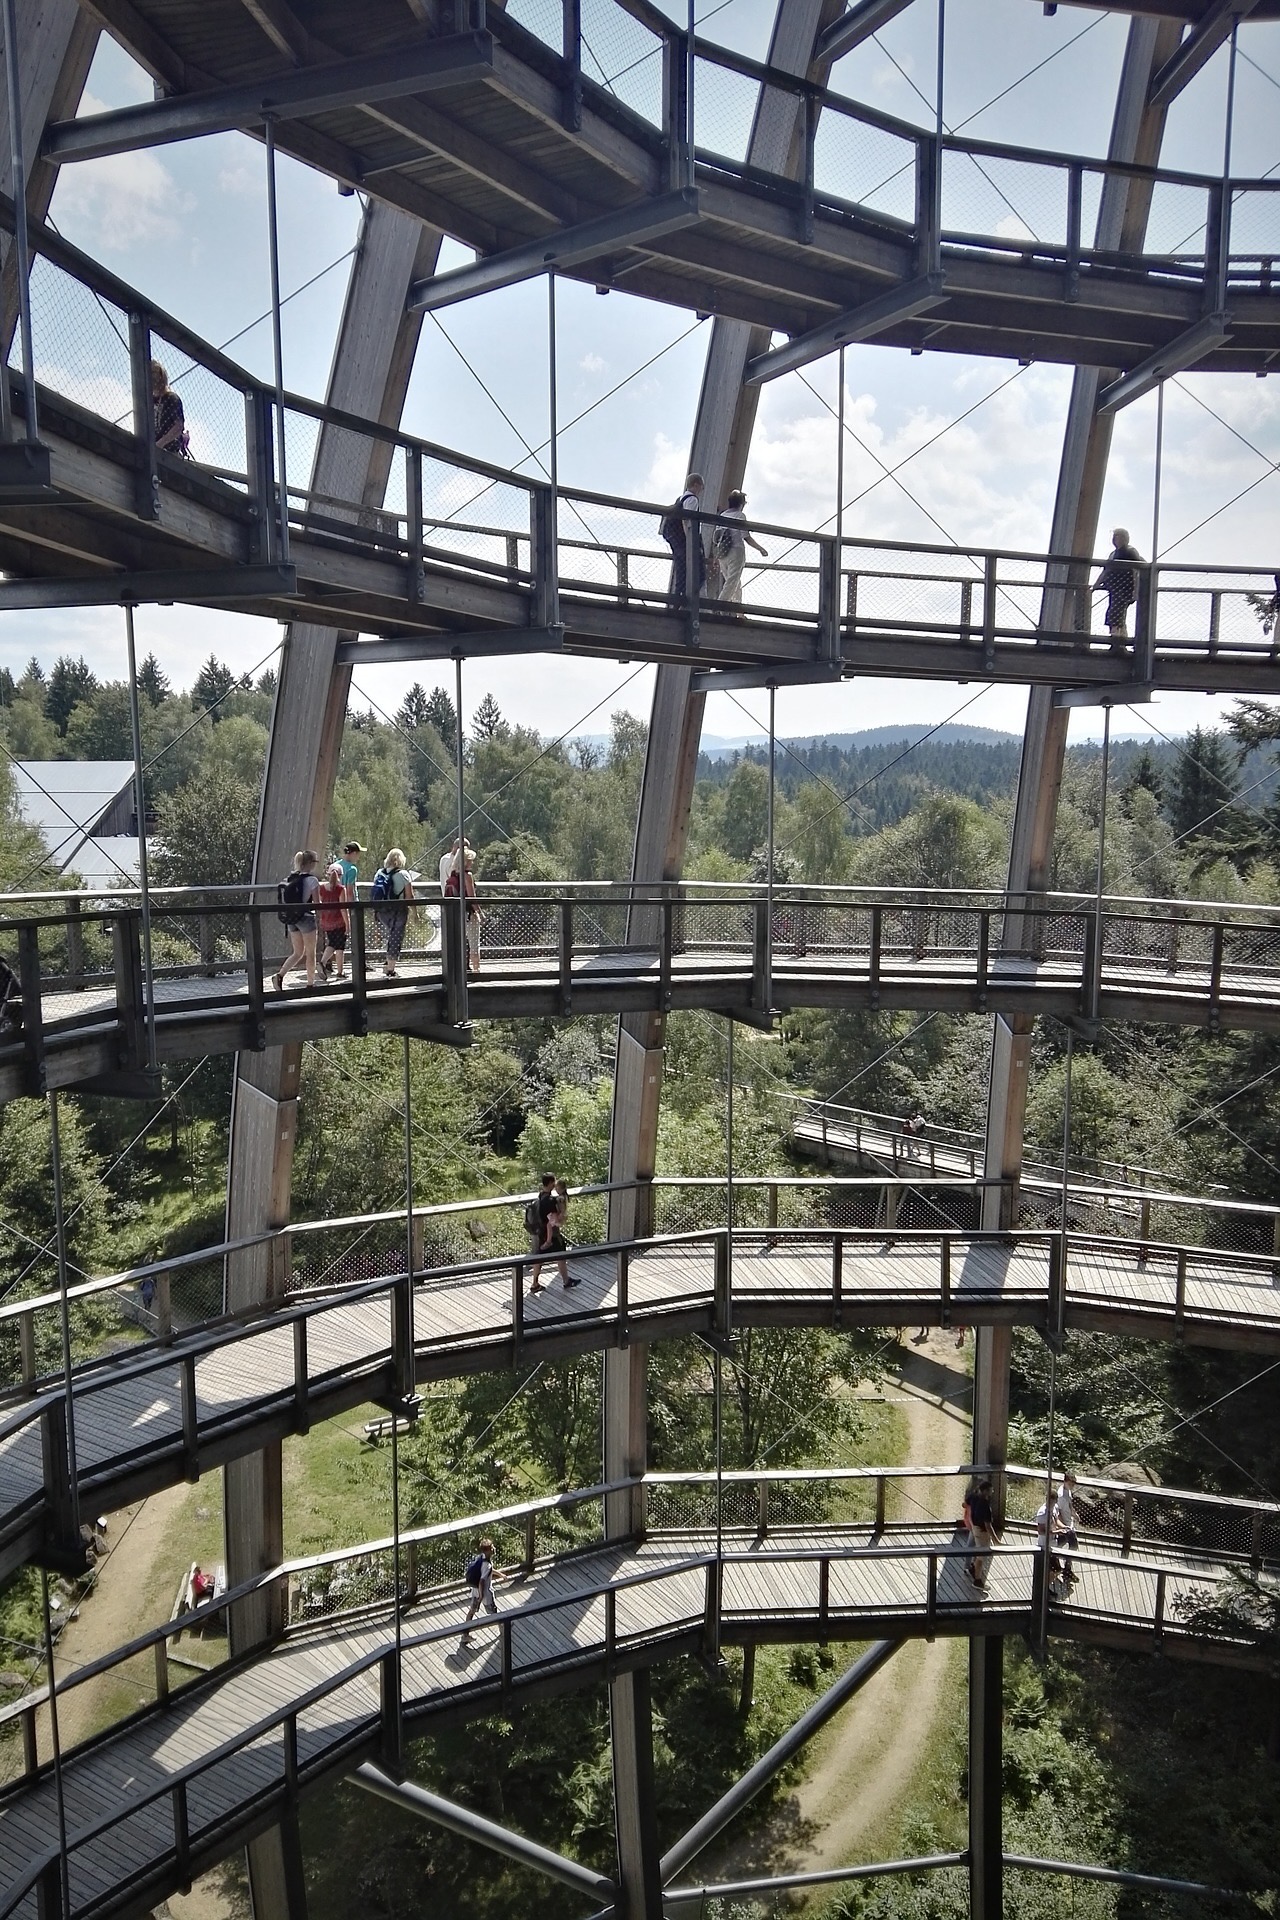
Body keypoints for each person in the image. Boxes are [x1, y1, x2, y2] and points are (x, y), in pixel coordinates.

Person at [272, 849, 319, 991]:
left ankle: (280, 975)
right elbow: (317, 903)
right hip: (306, 918)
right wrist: (320, 918)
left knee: (298, 952)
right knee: (311, 953)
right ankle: (311, 984)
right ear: (310, 863)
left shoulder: (290, 879)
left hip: (292, 919)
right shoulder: (312, 880)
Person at [713, 488, 767, 606]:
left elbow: (716, 537)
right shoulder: (740, 515)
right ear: (741, 504)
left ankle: (738, 609)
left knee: (733, 581)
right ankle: (719, 605)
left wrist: (716, 557)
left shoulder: (722, 515)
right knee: (732, 582)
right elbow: (746, 537)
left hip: (723, 552)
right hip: (736, 551)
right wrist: (760, 549)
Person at [1095, 528, 1145, 651]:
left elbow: (1136, 570)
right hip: (1114, 589)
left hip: (1124, 589)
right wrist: (1096, 585)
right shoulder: (1113, 554)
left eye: (1118, 536)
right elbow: (1106, 571)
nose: (1115, 539)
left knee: (1116, 615)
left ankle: (1119, 643)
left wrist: (1136, 590)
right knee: (1116, 615)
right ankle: (1119, 642)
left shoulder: (1130, 552)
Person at [661, 471, 705, 602]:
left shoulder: (680, 499)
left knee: (681, 569)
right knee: (699, 573)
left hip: (674, 537)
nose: (701, 490)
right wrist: (691, 542)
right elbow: (687, 520)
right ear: (696, 485)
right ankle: (688, 601)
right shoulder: (692, 500)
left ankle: (677, 599)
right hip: (683, 539)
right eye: (701, 487)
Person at [376, 847, 414, 977]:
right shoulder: (404, 874)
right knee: (396, 937)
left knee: (390, 935)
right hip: (398, 910)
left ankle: (387, 963)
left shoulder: (379, 873)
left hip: (382, 911)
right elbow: (409, 896)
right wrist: (415, 912)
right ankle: (390, 968)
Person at [444, 844, 482, 973]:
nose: (472, 862)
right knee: (474, 943)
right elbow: (472, 897)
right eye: (471, 860)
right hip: (468, 914)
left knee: (459, 942)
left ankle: (459, 969)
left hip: (456, 914)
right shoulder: (467, 876)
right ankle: (477, 970)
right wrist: (479, 913)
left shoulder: (453, 875)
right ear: (466, 861)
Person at [524, 1172, 558, 1293]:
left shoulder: (540, 1196)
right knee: (559, 1254)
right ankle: (535, 1284)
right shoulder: (550, 1200)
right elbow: (553, 1219)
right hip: (545, 1233)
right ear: (550, 1183)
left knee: (539, 1257)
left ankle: (535, 1283)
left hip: (537, 1231)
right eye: (554, 1182)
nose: (555, 1184)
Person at [316, 862, 350, 981]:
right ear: (340, 875)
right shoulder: (341, 889)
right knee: (340, 946)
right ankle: (338, 971)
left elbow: (319, 904)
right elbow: (343, 908)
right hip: (339, 921)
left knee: (332, 943)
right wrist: (347, 924)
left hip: (327, 921)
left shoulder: (322, 888)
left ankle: (324, 963)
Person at [151, 360, 190, 457]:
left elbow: (178, 426)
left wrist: (160, 444)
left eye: (153, 373)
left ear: (161, 376)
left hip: (169, 452)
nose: (152, 377)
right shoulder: (150, 401)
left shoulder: (171, 398)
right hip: (154, 447)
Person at [966, 1476, 998, 1589]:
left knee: (976, 1549)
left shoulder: (974, 1496)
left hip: (974, 1527)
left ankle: (973, 1569)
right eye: (991, 1490)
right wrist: (996, 1540)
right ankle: (977, 1581)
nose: (992, 1491)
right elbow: (988, 1525)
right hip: (982, 1531)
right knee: (981, 1556)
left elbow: (966, 1502)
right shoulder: (985, 1505)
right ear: (985, 1491)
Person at [461, 1536, 497, 1631]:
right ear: (488, 1551)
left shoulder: (480, 1558)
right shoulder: (487, 1565)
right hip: (485, 1594)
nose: (493, 1548)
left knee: (471, 1612)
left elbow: (487, 1571)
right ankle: (504, 1629)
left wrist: (501, 1574)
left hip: (475, 1591)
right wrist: (481, 1596)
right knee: (494, 1612)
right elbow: (482, 1581)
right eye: (491, 1547)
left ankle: (465, 1633)